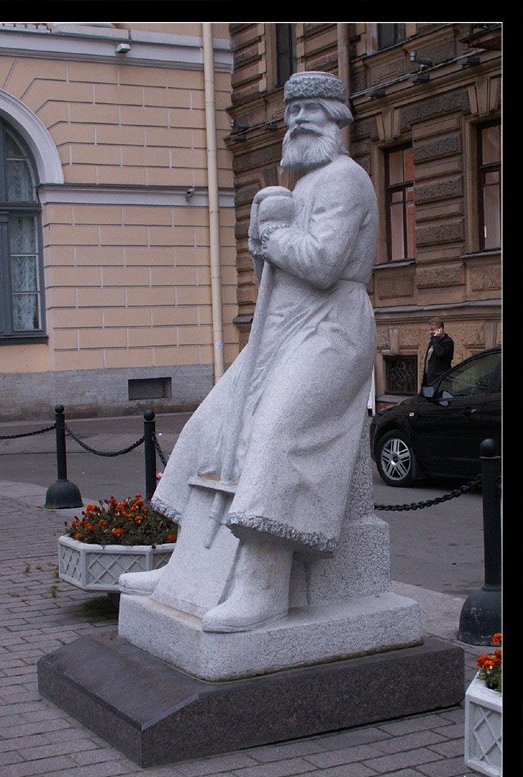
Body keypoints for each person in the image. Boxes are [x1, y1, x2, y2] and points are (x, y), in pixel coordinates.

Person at [120, 71, 379, 632]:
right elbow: (272, 273)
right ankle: (186, 571)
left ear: (338, 118)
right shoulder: (301, 186)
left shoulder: (345, 179)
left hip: (331, 330)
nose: (298, 121)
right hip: (279, 331)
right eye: (292, 111)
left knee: (275, 433)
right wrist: (261, 242)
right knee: (211, 427)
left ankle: (263, 587)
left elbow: (322, 264)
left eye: (312, 109)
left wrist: (271, 236)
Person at [421, 317, 454, 387]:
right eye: (430, 330)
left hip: (440, 380)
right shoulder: (433, 342)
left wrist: (435, 339)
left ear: (440, 329)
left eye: (433, 330)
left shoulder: (448, 342)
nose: (431, 332)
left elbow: (440, 353)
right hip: (429, 378)